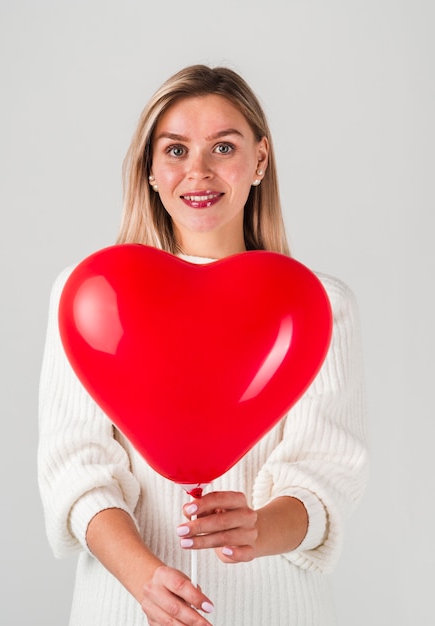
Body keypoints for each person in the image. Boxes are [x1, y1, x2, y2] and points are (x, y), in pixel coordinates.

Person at [38, 64, 369, 626]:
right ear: (149, 168)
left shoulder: (318, 304)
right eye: (174, 150)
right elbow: (76, 467)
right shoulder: (91, 296)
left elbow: (324, 475)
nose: (198, 171)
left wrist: (261, 528)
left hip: (275, 610)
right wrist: (145, 579)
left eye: (222, 147)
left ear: (259, 160)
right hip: (122, 608)